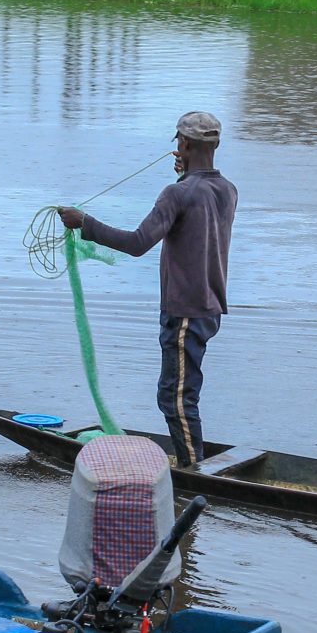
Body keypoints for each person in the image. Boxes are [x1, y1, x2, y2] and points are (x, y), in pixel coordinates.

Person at [57, 112, 237, 468]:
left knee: (176, 397)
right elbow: (196, 212)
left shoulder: (178, 193)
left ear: (183, 144)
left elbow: (139, 243)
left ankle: (192, 470)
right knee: (177, 393)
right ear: (215, 146)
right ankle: (192, 462)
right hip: (210, 308)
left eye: (179, 144)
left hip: (186, 311)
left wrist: (85, 224)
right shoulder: (227, 189)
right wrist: (187, 175)